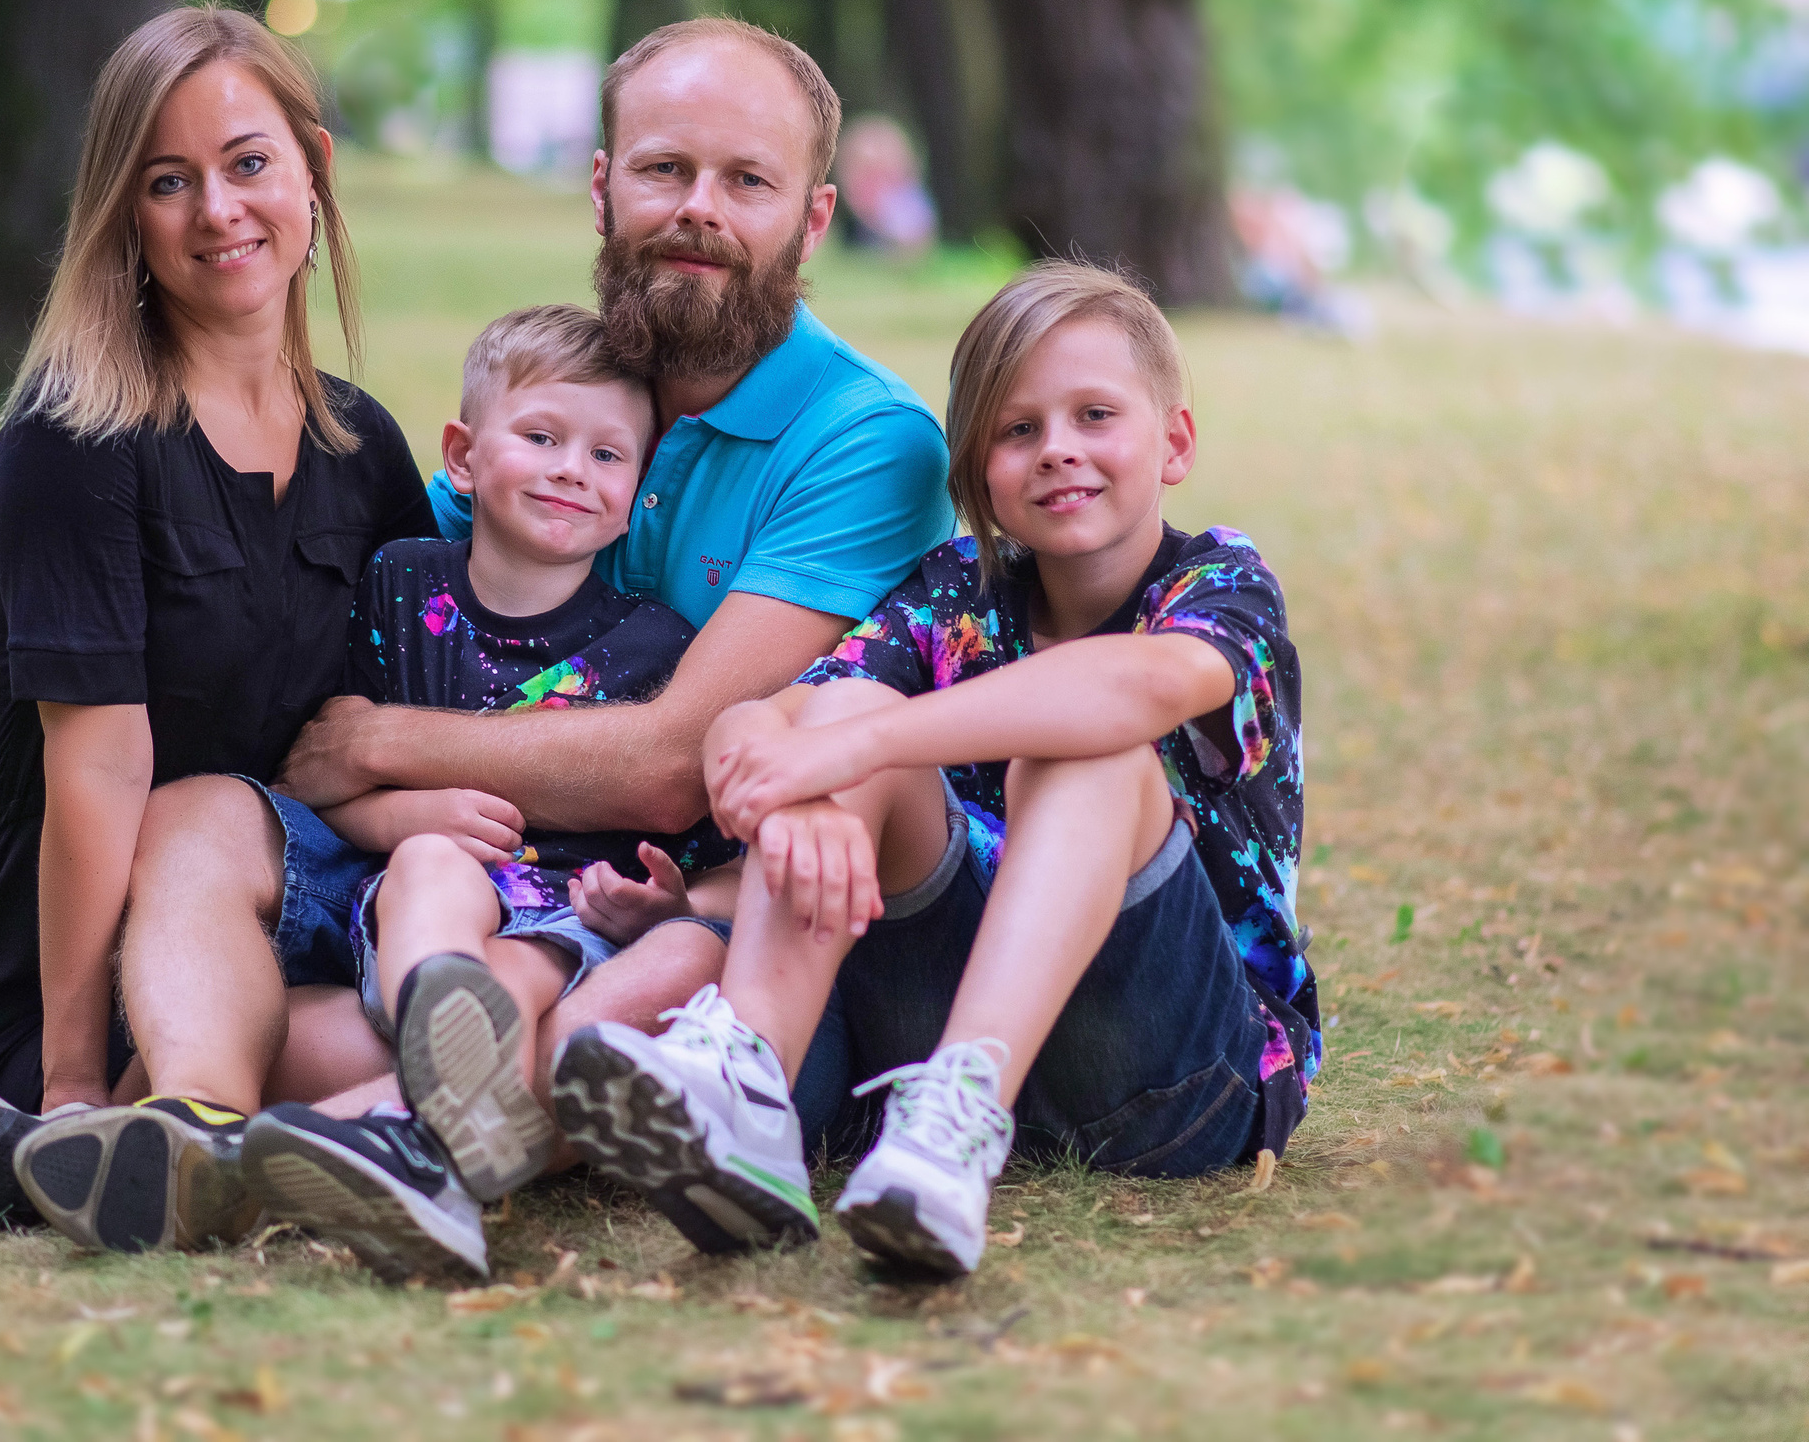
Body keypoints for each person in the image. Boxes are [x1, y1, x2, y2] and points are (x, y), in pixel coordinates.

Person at [0, 17, 953, 1242]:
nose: (699, 209)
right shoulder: (552, 414)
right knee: (224, 836)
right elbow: (333, 593)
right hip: (431, 899)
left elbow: (671, 763)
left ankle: (385, 1135)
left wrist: (381, 752)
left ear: (814, 216)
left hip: (660, 914)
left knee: (625, 955)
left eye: (746, 180)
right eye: (662, 169)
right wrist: (57, 614)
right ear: (601, 189)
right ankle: (200, 1126)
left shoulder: (865, 441)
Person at [551, 261, 1318, 1278]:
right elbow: (764, 717)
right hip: (917, 1047)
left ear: (1173, 442)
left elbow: (1128, 688)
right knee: (849, 700)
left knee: (1072, 742)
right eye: (1016, 430)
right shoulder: (956, 590)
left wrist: (855, 744)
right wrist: (788, 772)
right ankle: (747, 1089)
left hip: (1175, 1072)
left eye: (1094, 415)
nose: (1058, 452)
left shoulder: (1220, 582)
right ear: (976, 469)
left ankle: (959, 1119)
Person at [0, 6, 436, 1249]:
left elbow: (434, 672)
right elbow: (99, 768)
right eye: (167, 181)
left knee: (447, 1029)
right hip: (56, 965)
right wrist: (73, 1072)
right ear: (123, 218)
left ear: (313, 167)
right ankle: (63, 1134)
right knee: (327, 1042)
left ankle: (58, 1163)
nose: (218, 212)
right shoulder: (79, 433)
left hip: (267, 923)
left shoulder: (363, 451)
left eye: (249, 162)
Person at [228, 304, 742, 1282]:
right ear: (462, 456)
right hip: (421, 919)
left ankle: (364, 1139)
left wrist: (656, 905)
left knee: (513, 971)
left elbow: (701, 856)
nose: (568, 470)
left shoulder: (654, 645)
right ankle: (435, 1022)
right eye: (541, 437)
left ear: (637, 493)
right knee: (427, 863)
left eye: (604, 455)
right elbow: (319, 771)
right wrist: (398, 815)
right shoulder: (396, 587)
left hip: (566, 926)